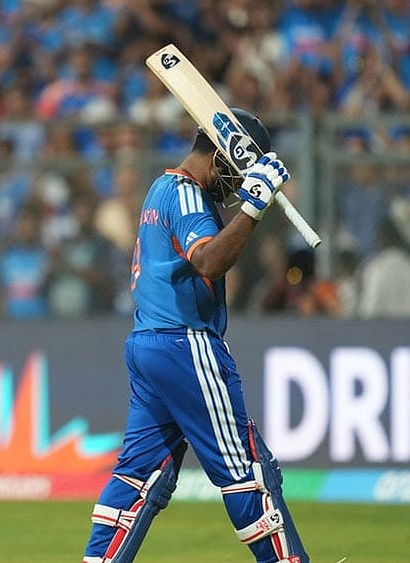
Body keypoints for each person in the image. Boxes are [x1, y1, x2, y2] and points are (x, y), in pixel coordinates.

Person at [82, 108, 310, 563]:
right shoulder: (187, 194)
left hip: (149, 345)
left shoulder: (160, 187)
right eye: (243, 168)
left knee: (138, 478)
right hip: (186, 344)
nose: (239, 182)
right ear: (224, 156)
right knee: (247, 470)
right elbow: (207, 261)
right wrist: (254, 204)